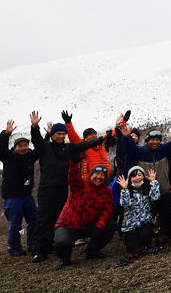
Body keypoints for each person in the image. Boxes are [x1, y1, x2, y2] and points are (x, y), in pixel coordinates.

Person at [30, 111, 107, 263]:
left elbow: (84, 144)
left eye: (62, 134)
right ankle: (39, 250)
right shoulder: (44, 148)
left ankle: (53, 245)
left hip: (63, 189)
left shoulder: (69, 148)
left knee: (60, 218)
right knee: (43, 219)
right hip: (46, 189)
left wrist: (100, 139)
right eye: (58, 134)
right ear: (52, 135)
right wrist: (34, 126)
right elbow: (36, 139)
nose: (61, 136)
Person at [120, 119, 171, 239]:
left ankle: (170, 232)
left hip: (162, 187)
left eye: (157, 140)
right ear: (147, 140)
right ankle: (135, 233)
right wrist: (127, 137)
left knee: (168, 211)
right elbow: (129, 148)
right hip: (144, 189)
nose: (155, 142)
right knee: (145, 211)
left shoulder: (164, 149)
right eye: (152, 140)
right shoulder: (139, 152)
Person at [53, 159, 115, 266]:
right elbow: (73, 174)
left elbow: (107, 211)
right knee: (62, 243)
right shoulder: (80, 184)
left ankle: (93, 251)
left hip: (88, 225)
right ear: (91, 175)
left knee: (110, 224)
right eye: (96, 173)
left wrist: (98, 227)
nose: (99, 177)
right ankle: (65, 257)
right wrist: (74, 160)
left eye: (102, 175)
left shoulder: (107, 191)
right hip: (68, 225)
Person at [0, 120, 38, 257]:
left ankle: (33, 244)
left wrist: (41, 131)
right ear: (15, 148)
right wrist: (6, 134)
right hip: (12, 197)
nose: (23, 148)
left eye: (25, 145)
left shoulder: (30, 157)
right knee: (15, 225)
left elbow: (41, 148)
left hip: (27, 196)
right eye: (20, 146)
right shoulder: (9, 158)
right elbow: (0, 149)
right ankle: (14, 248)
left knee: (34, 221)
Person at [117, 166, 160, 254]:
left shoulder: (147, 187)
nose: (137, 178)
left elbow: (155, 197)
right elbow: (124, 204)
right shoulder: (127, 190)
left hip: (145, 221)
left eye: (139, 175)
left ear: (143, 176)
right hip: (131, 225)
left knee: (146, 237)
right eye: (134, 176)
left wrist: (154, 182)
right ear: (130, 178)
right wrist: (124, 189)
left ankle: (144, 239)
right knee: (133, 248)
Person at [61, 110, 112, 179]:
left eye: (95, 134)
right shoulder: (83, 147)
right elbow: (73, 137)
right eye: (91, 135)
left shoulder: (102, 145)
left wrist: (122, 122)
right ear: (85, 138)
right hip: (89, 179)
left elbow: (112, 134)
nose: (94, 136)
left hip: (105, 179)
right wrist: (68, 123)